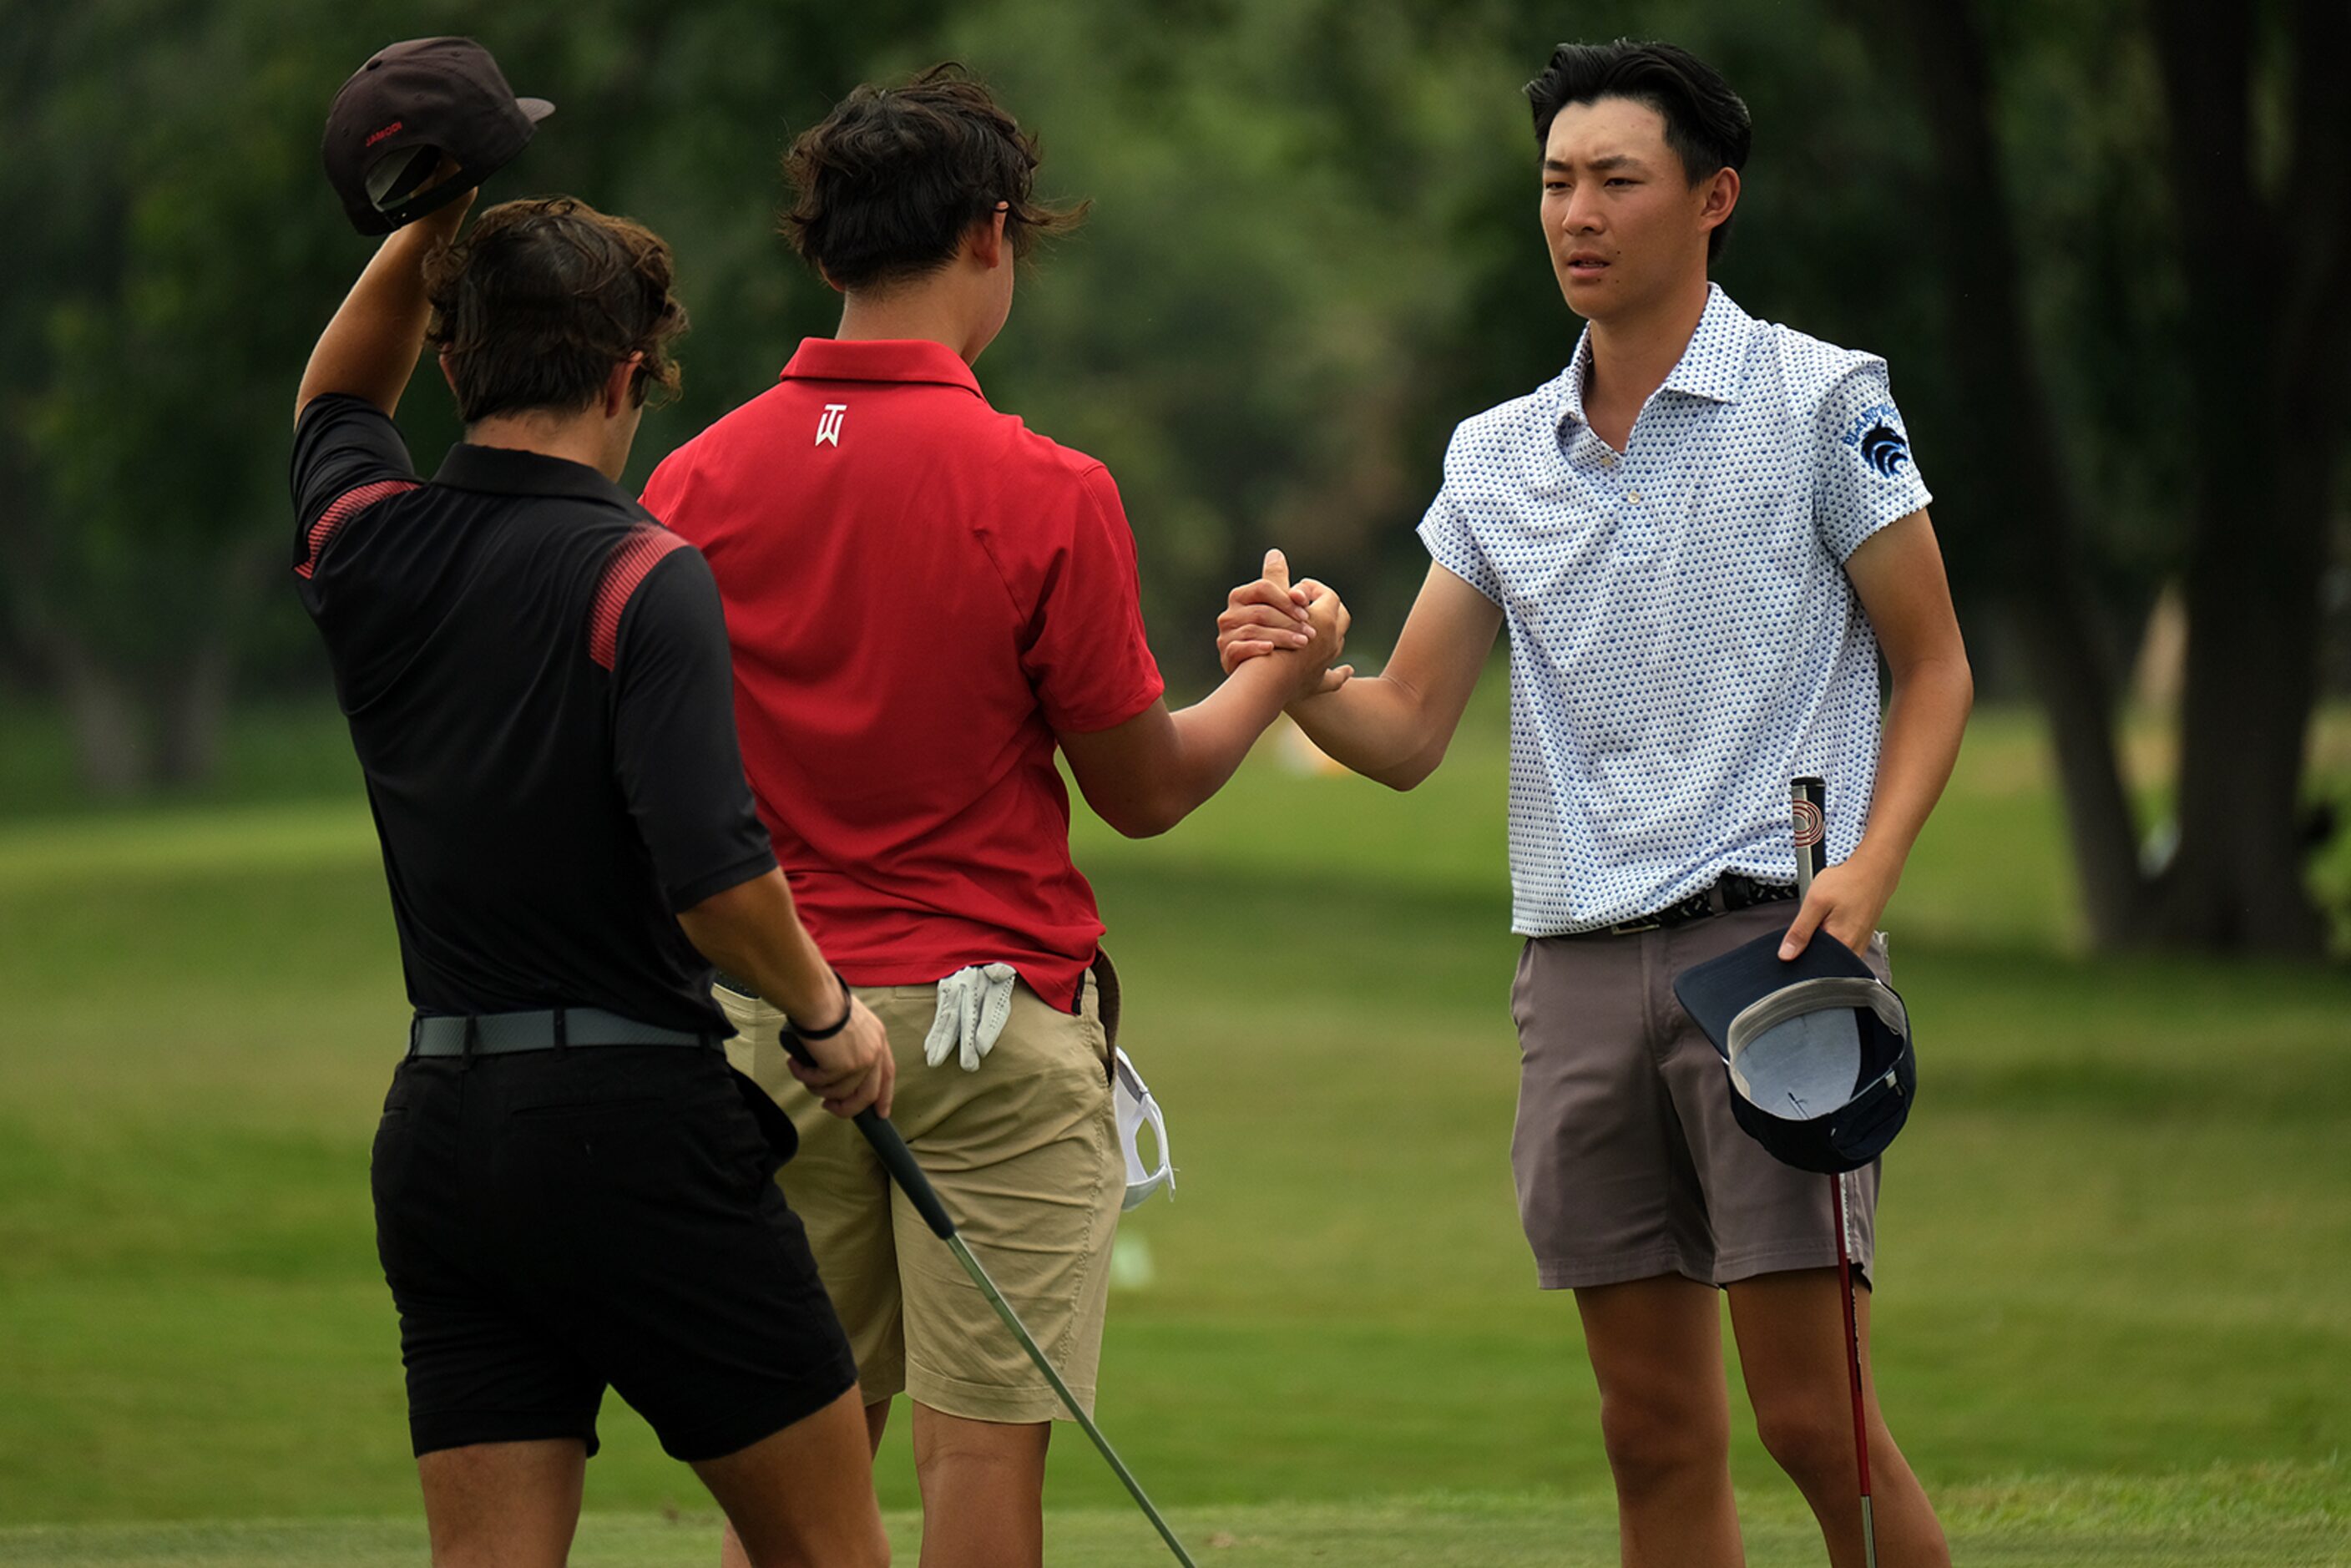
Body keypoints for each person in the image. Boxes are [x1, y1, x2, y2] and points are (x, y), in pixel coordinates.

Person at [1217, 39, 1967, 1568]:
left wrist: (1873, 871)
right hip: (1573, 968)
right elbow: (1409, 726)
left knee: (1816, 1421)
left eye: (1618, 179)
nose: (1580, 213)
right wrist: (1301, 674)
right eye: (1558, 182)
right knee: (1651, 1434)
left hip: (1778, 949)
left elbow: (1938, 665)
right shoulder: (1495, 455)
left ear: (1714, 198)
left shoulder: (1826, 398)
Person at [640, 64, 1346, 1568]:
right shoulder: (1046, 486)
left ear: (828, 251)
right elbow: (1143, 788)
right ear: (990, 237)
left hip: (777, 1031)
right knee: (979, 1474)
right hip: (989, 1034)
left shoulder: (691, 482)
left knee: (800, 1493)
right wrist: (1280, 676)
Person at [295, 109, 897, 1567]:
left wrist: (436, 211)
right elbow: (717, 882)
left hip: (442, 1135)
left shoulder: (366, 545)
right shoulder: (647, 575)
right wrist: (828, 1015)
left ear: (454, 364)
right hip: (634, 1129)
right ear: (633, 377)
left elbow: (331, 390)